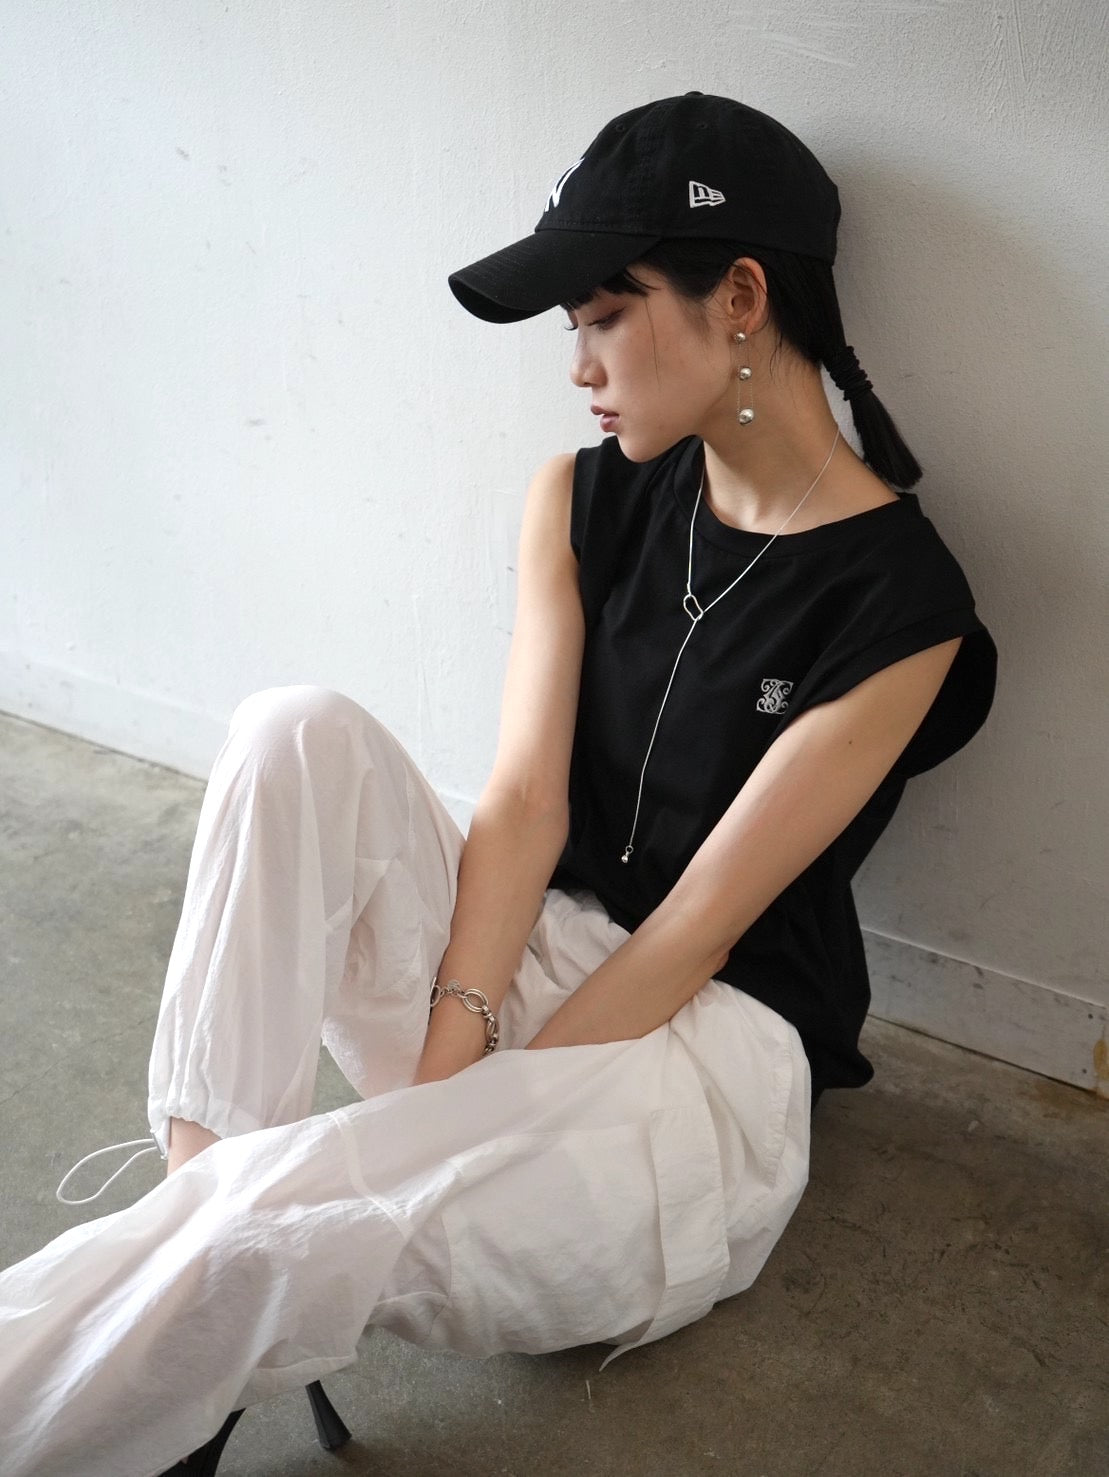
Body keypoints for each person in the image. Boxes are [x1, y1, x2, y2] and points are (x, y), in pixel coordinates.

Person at [0, 92, 996, 1476]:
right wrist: (448, 1074)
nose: (577, 365)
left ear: (740, 298)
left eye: (606, 315)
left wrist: (453, 1125)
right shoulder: (583, 498)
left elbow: (698, 928)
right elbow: (523, 807)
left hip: (688, 1059)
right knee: (294, 731)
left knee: (296, 1221)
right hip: (515, 950)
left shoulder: (902, 603)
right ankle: (200, 1258)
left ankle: (201, 1286)